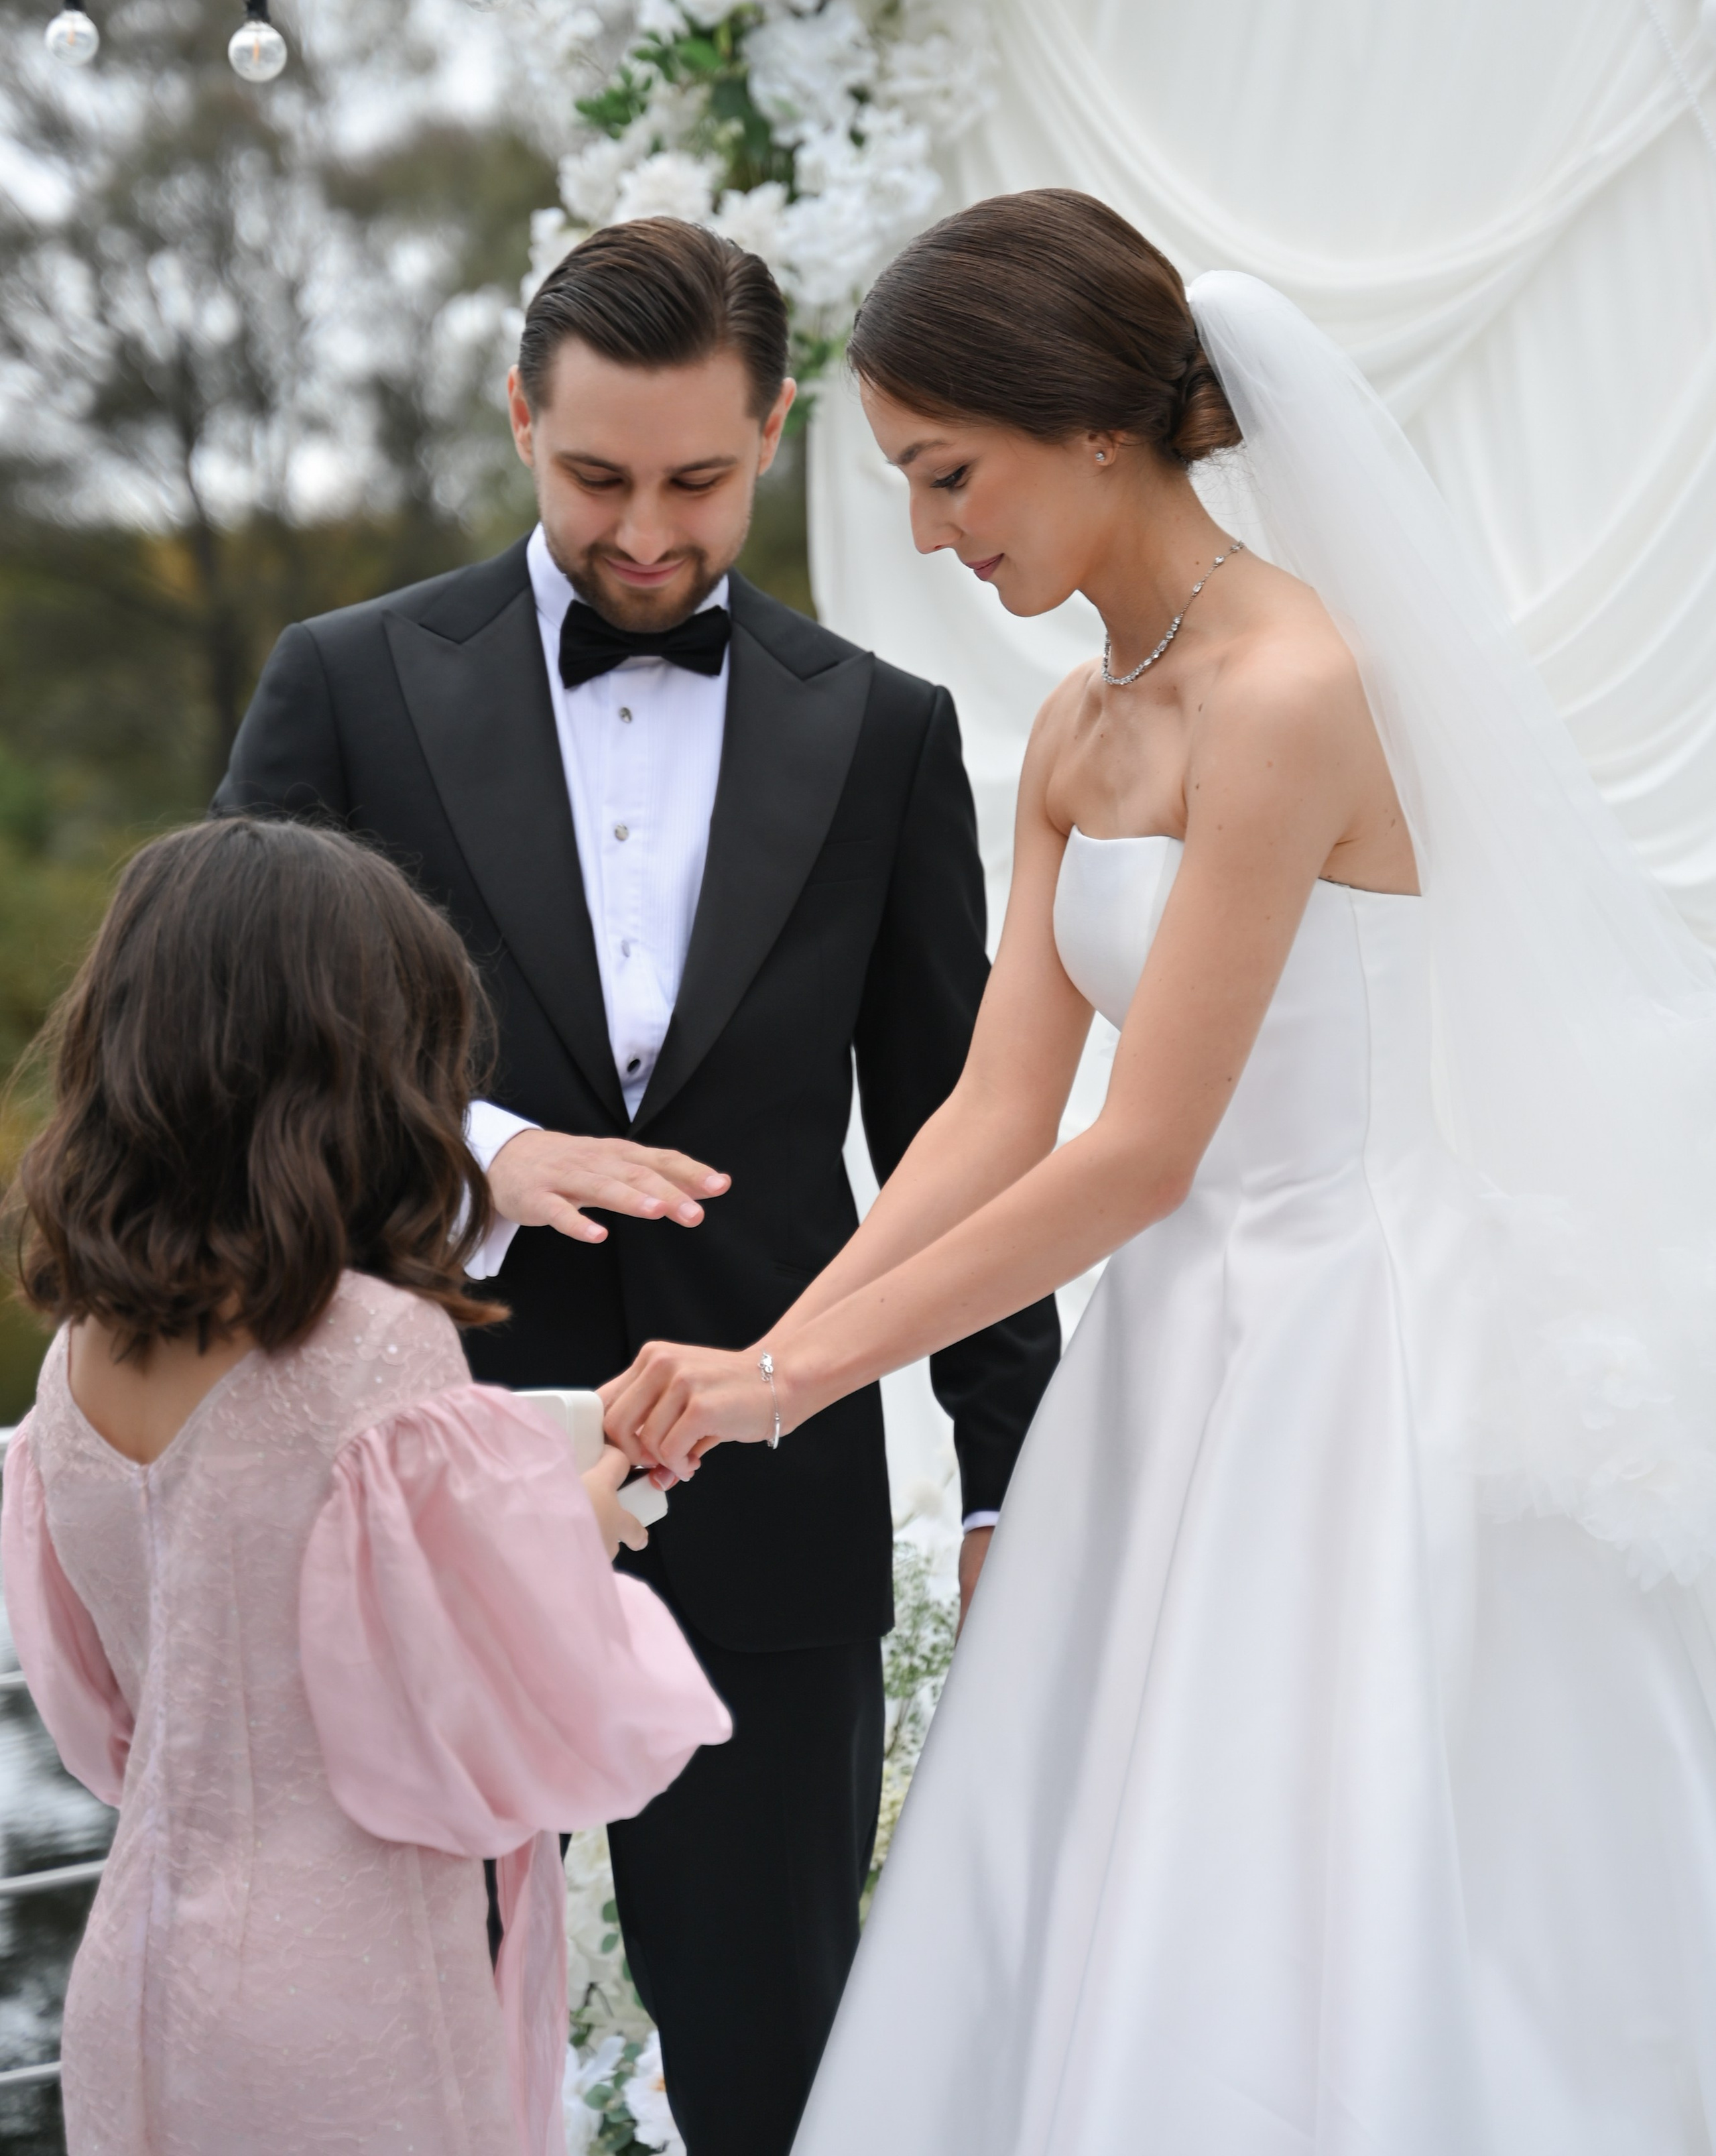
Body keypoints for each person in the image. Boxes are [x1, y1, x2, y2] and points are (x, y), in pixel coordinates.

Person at [604, 190, 1716, 2155]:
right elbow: (989, 1114)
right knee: (1100, 1845)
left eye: (953, 477)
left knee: (1322, 1865)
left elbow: (1142, 1149)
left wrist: (787, 1388)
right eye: (912, 489)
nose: (937, 535)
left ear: (1093, 427)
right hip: (1177, 1335)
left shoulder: (1286, 693)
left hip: (1356, 1336)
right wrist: (760, 1352)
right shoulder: (1070, 724)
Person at [212, 216, 1062, 2156]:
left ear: (774, 431)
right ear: (520, 419)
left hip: (773, 1509)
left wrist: (1016, 1468)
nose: (651, 535)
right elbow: (227, 1043)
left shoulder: (886, 730)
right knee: (412, 2065)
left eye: (699, 479)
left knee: (774, 2062)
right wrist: (494, 1147)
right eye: (598, 478)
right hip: (411, 1492)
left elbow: (961, 1135)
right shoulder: (342, 684)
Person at [0, 815, 728, 2156]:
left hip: (132, 1978)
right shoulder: (372, 1342)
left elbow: (107, 1710)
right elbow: (491, 1704)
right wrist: (591, 1500)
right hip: (350, 1983)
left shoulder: (71, 1363)